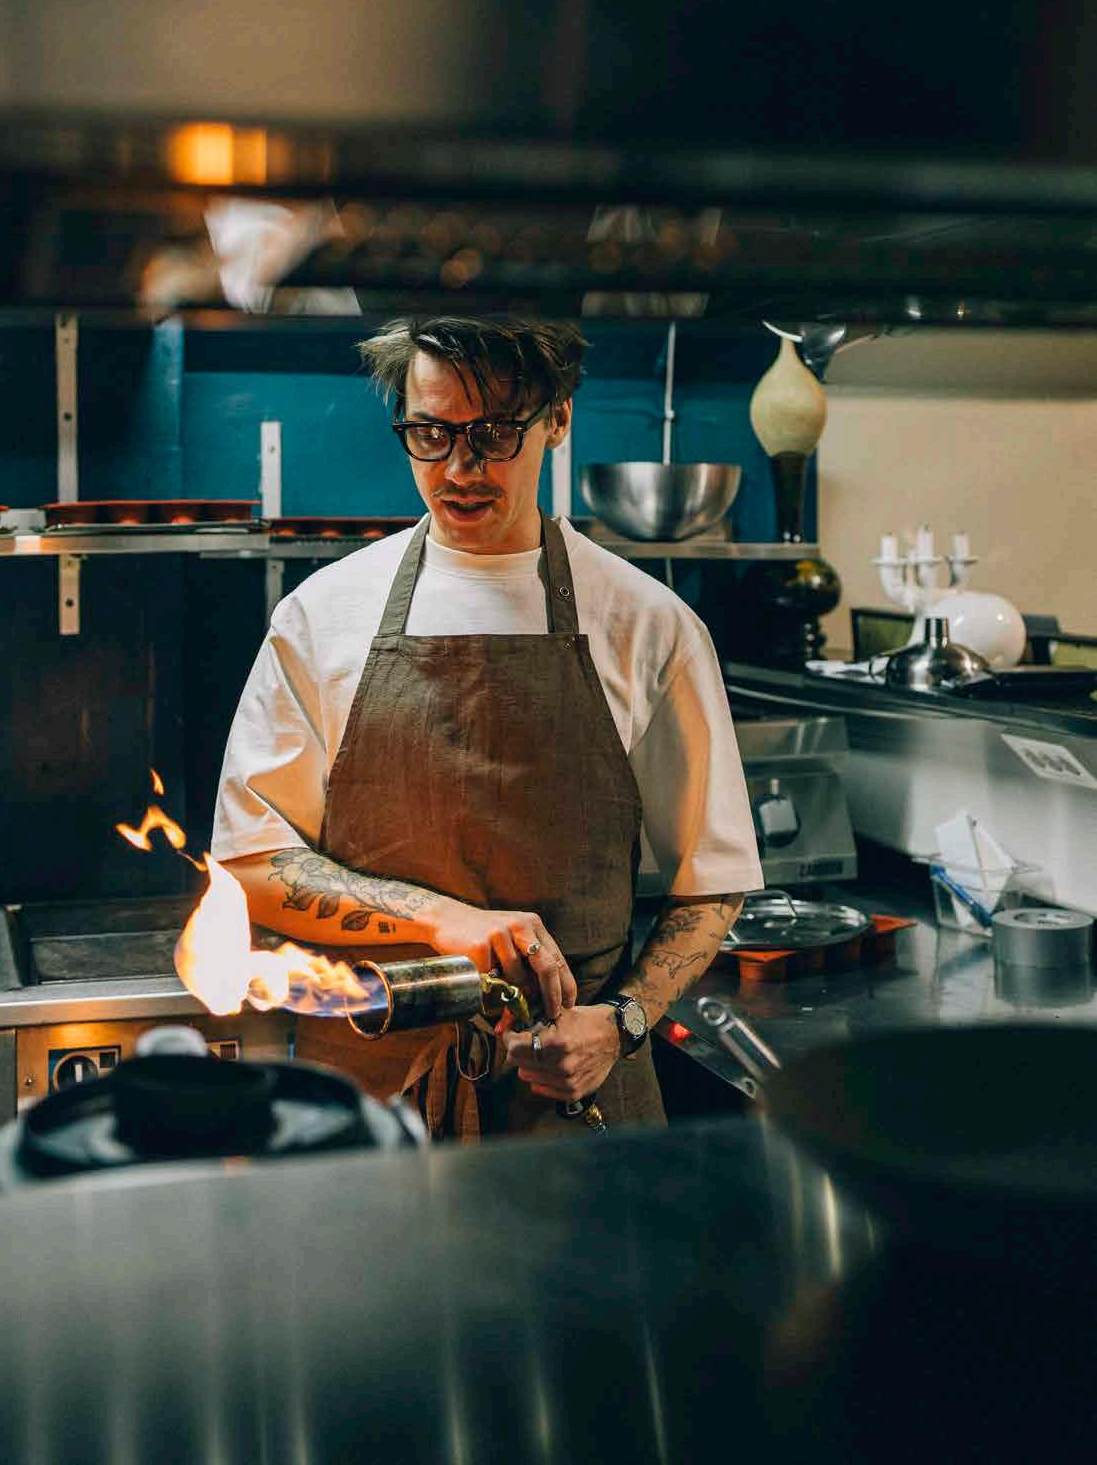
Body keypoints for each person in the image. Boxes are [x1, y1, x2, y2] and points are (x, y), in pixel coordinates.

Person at [211, 314, 764, 1139]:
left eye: (495, 434)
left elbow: (710, 882)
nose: (459, 469)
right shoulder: (322, 616)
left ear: (557, 419)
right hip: (371, 1095)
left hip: (573, 1095)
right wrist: (448, 921)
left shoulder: (648, 624)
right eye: (429, 434)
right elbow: (250, 864)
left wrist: (620, 1022)